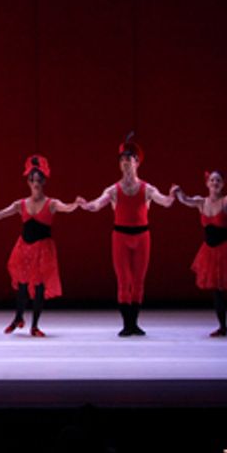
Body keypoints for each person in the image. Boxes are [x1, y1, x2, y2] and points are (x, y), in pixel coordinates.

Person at [81, 133, 177, 336]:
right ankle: (127, 324)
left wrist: (171, 196)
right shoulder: (113, 190)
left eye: (129, 159)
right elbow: (97, 204)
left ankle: (135, 323)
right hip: (120, 237)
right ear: (119, 165)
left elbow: (165, 202)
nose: (125, 162)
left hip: (142, 237)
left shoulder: (147, 188)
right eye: (122, 160)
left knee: (139, 280)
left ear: (137, 163)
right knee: (124, 280)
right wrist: (87, 205)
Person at [0, 155, 83, 337]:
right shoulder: (21, 204)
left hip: (42, 250)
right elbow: (1, 214)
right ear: (28, 182)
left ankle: (34, 325)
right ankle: (18, 318)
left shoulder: (51, 203)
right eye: (32, 180)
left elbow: (66, 208)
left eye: (39, 180)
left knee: (39, 287)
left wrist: (75, 204)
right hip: (24, 249)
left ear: (44, 181)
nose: (35, 183)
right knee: (22, 286)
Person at [174, 158, 227, 337]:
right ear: (207, 183)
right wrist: (178, 192)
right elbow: (186, 200)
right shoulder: (201, 202)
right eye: (212, 180)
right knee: (217, 292)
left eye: (218, 180)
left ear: (222, 184)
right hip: (209, 252)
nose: (215, 183)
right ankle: (223, 327)